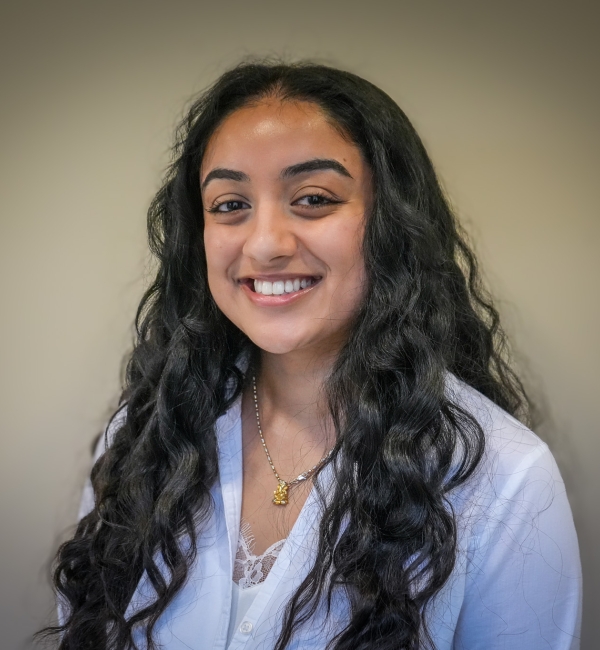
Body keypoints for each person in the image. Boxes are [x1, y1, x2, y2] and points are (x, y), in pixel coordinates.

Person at [44, 61, 582, 649]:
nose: (266, 243)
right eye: (229, 205)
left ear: (391, 222)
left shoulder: (504, 480)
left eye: (313, 198)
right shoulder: (144, 433)